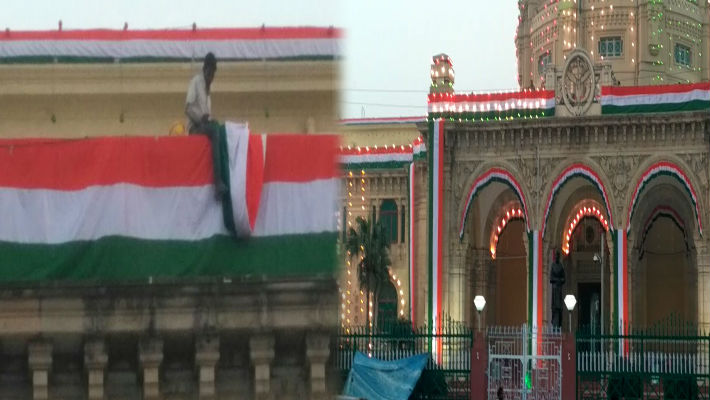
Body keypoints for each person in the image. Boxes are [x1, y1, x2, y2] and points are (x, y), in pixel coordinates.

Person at [185, 52, 226, 198]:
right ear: (206, 70)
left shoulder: (209, 90)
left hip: (204, 126)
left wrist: (209, 119)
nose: (212, 78)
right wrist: (201, 119)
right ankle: (217, 182)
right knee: (215, 131)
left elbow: (207, 115)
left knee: (220, 130)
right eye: (210, 73)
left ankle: (223, 174)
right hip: (194, 128)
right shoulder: (196, 82)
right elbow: (188, 108)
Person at [550, 249, 566, 328]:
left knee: (559, 307)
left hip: (559, 289)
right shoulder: (553, 266)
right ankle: (553, 321)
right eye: (556, 256)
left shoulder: (561, 266)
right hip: (554, 288)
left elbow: (564, 279)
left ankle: (559, 323)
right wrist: (557, 280)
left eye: (558, 256)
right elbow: (551, 279)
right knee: (554, 307)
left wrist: (560, 280)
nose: (556, 257)